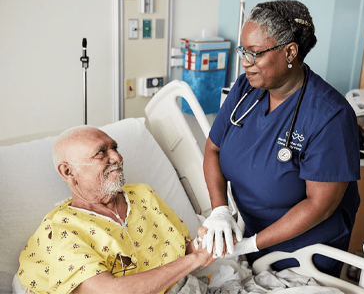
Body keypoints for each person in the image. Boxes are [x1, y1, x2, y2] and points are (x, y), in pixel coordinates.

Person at [202, 0, 361, 277]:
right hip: (251, 236)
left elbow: (319, 206)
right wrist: (220, 211)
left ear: (289, 52)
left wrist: (252, 244)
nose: (245, 62)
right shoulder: (245, 91)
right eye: (243, 51)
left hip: (305, 251)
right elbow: (212, 150)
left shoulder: (329, 116)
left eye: (254, 53)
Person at [17, 126, 215, 294]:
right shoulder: (62, 229)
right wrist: (195, 259)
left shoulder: (143, 195)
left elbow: (182, 249)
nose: (117, 157)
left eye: (115, 147)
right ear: (68, 172)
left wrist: (203, 245)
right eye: (101, 152)